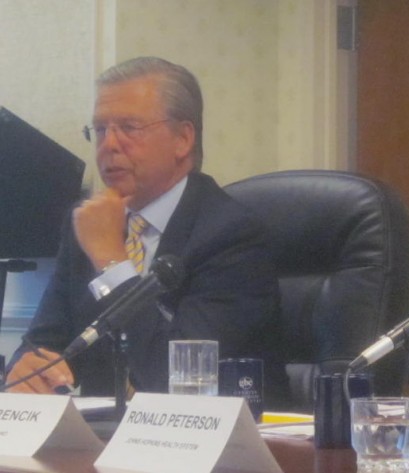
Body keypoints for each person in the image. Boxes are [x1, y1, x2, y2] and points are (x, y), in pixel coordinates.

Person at [5, 57, 286, 403]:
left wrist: (113, 262)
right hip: (104, 440)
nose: (109, 144)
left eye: (129, 127)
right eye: (100, 129)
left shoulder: (234, 236)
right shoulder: (85, 224)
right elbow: (42, 342)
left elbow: (175, 381)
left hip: (220, 447)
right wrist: (25, 372)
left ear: (182, 138)